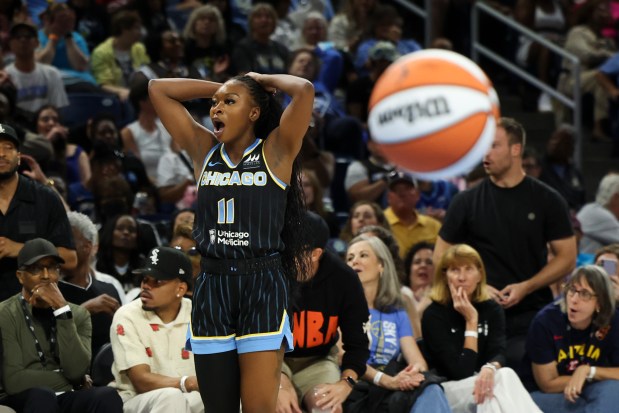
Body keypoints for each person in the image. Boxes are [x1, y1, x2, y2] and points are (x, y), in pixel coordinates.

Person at [149, 68, 314, 412]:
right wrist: (227, 88)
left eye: (229, 102)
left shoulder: (276, 150)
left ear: (254, 112)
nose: (216, 108)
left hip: (262, 283)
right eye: (214, 103)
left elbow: (304, 90)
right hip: (213, 284)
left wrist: (259, 82)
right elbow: (158, 89)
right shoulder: (203, 149)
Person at [434, 117, 577, 369]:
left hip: (530, 311)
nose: (485, 154)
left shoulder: (548, 200)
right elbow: (440, 256)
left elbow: (567, 257)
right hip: (476, 311)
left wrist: (527, 286)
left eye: (493, 146)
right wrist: (479, 286)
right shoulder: (465, 201)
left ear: (515, 149)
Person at [0, 238, 124, 413]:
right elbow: (14, 380)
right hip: (22, 397)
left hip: (64, 396)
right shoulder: (5, 313)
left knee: (106, 396)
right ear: (20, 276)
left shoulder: (78, 315)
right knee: (42, 396)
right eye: (36, 269)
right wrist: (75, 382)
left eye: (52, 267)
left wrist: (62, 312)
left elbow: (76, 370)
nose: (46, 275)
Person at [422, 244, 542, 413]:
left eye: (469, 269)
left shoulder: (491, 308)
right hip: (447, 390)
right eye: (455, 270)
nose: (462, 277)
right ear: (444, 276)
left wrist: (490, 368)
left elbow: (499, 352)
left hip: (484, 385)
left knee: (495, 386)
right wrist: (471, 321)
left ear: (480, 274)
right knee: (497, 383)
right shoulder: (434, 315)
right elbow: (460, 371)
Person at [344, 235, 452, 413]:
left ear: (381, 266)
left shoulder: (396, 313)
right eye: (350, 258)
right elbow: (343, 357)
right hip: (356, 385)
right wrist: (386, 380)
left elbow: (418, 362)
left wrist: (410, 374)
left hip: (393, 382)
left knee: (430, 387)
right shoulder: (341, 308)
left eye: (363, 255)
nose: (355, 261)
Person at [277, 212, 370, 413]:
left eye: (291, 247)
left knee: (327, 408)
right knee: (280, 406)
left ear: (315, 253)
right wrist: (279, 385)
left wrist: (346, 384)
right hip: (274, 357)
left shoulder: (344, 280)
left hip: (317, 360)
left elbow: (358, 344)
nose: (284, 251)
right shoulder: (269, 271)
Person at [109, 246, 203, 413]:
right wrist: (188, 382)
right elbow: (141, 381)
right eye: (145, 279)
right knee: (171, 397)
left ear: (180, 289)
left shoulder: (200, 314)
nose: (146, 286)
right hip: (137, 399)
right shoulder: (127, 315)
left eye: (157, 281)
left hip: (190, 395)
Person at [522, 265, 619, 412]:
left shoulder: (613, 321)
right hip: (548, 394)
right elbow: (548, 384)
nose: (573, 299)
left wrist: (587, 371)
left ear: (600, 303)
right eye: (572, 290)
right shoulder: (545, 322)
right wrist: (582, 378)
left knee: (613, 390)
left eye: (585, 294)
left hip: (593, 387)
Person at [0, 123, 77, 302]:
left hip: (36, 307)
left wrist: (20, 249)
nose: (1, 153)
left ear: (19, 157)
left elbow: (70, 260)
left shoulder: (46, 198)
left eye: (8, 147)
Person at [60, 211, 123, 356]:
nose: (60, 249)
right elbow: (47, 339)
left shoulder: (109, 288)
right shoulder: (48, 291)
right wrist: (85, 310)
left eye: (66, 241)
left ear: (87, 247)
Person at [4, 21, 68, 125]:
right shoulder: (5, 77)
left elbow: (58, 109)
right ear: (10, 44)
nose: (23, 40)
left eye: (28, 36)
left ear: (37, 43)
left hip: (46, 127)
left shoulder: (52, 73)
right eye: (17, 37)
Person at [385, 171, 441, 260]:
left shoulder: (434, 226)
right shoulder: (379, 222)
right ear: (388, 197)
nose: (401, 193)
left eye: (407, 188)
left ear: (418, 194)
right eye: (396, 190)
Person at [577, 173, 619, 254]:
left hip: (603, 263)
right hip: (589, 264)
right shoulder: (600, 215)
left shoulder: (590, 208)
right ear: (616, 197)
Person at [404, 241, 435, 317]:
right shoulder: (399, 296)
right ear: (409, 270)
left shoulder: (442, 299)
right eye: (417, 262)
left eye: (429, 262)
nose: (423, 265)